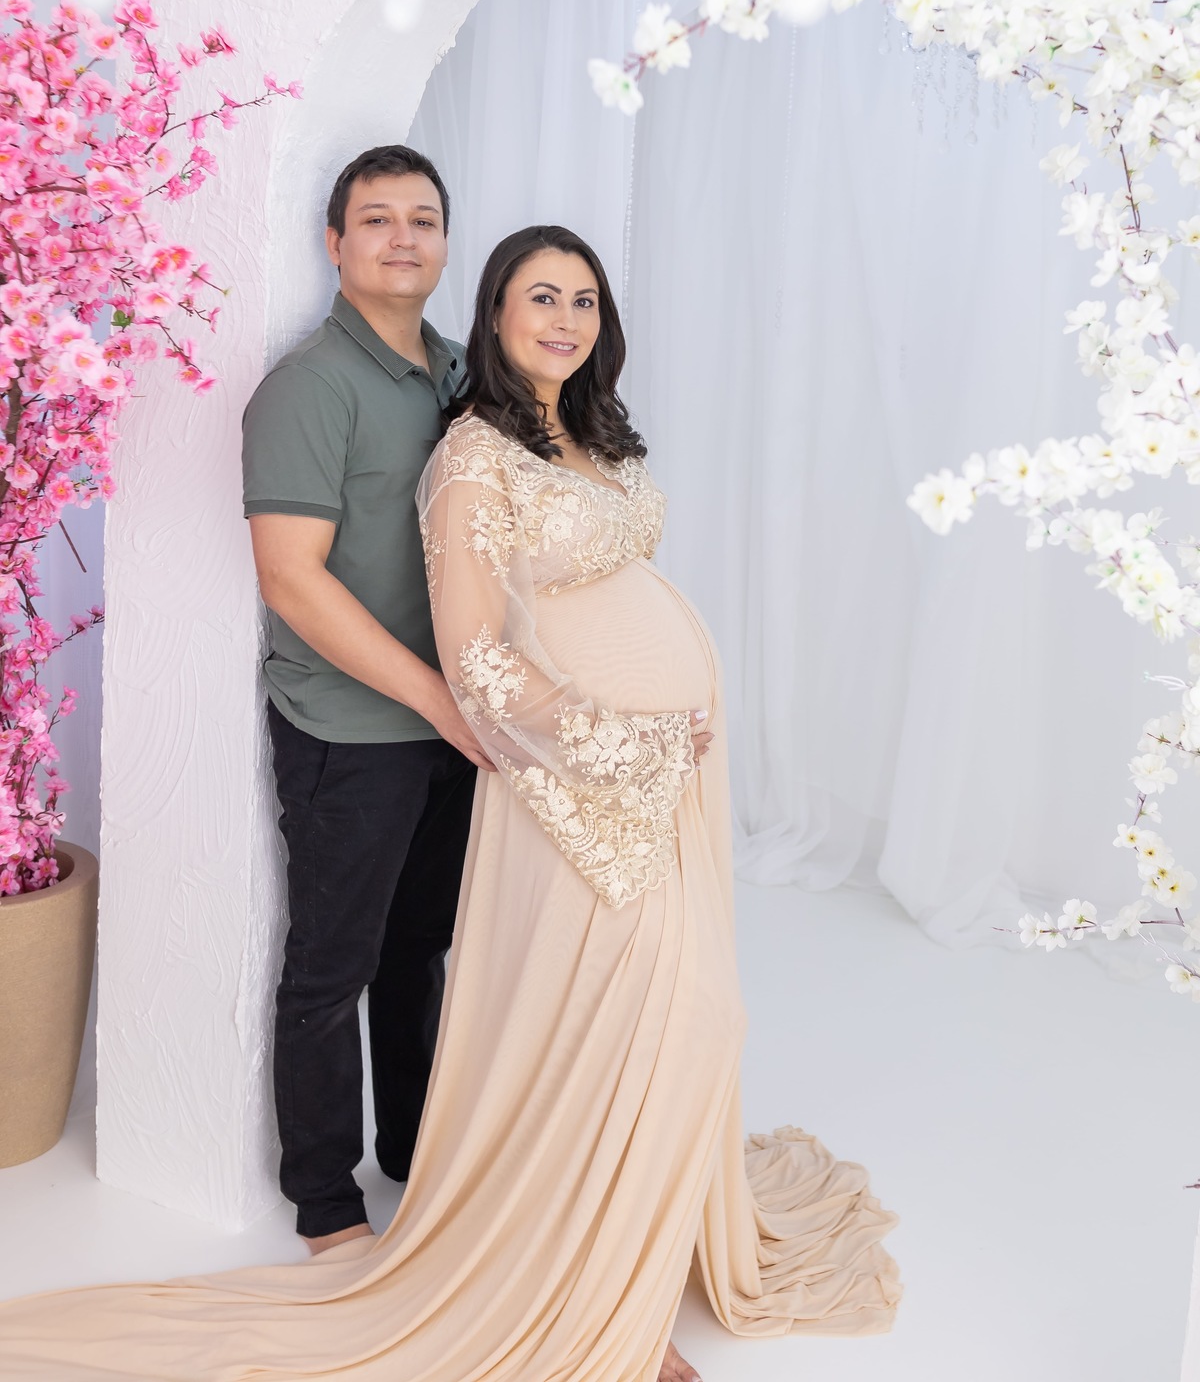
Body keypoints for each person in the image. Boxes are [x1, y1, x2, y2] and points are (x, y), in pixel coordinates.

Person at [0, 225, 900, 1382]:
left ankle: (630, 1247)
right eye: (541, 296)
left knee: (668, 1022)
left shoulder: (593, 433)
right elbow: (474, 657)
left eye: (583, 298)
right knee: (647, 1017)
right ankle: (588, 1301)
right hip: (581, 776)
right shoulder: (472, 455)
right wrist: (623, 736)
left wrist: (678, 708)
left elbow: (617, 582)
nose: (565, 317)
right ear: (496, 312)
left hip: (665, 775)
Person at [241, 142, 485, 1253]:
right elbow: (293, 580)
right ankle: (328, 1204)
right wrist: (441, 702)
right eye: (376, 219)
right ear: (334, 245)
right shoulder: (310, 386)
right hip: (352, 727)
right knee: (331, 966)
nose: (401, 237)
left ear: (444, 243)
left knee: (419, 948)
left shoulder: (454, 375)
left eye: (421, 219)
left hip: (449, 724)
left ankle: (412, 1153)